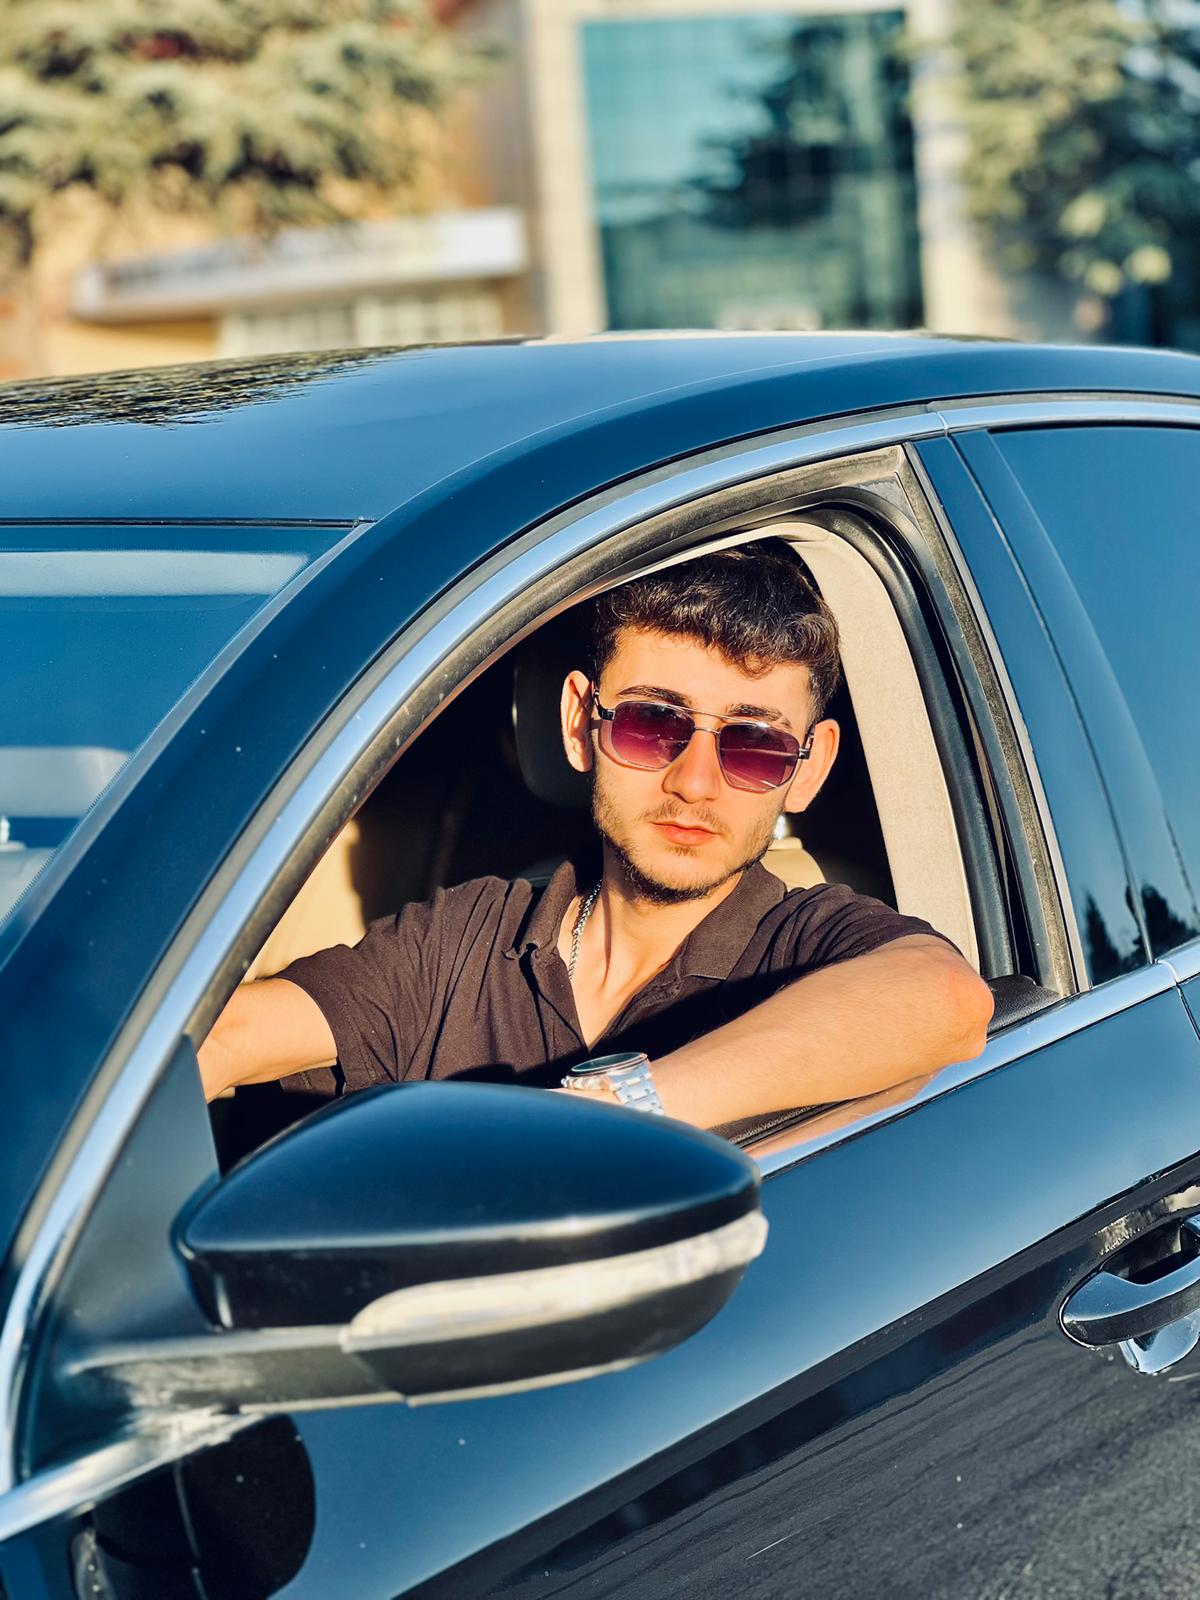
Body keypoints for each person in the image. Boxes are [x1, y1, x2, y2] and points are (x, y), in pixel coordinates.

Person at [198, 543, 992, 1126]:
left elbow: (947, 999)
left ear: (808, 769)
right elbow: (226, 1037)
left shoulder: (803, 944)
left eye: (754, 745)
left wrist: (613, 1113)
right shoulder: (469, 937)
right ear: (581, 723)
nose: (695, 782)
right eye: (652, 725)